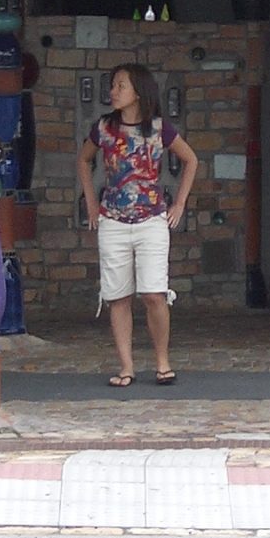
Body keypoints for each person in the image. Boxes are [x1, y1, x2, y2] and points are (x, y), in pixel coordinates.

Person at [80, 63, 199, 387]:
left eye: (120, 86)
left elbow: (191, 159)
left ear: (138, 92)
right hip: (113, 220)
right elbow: (83, 159)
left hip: (151, 220)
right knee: (117, 296)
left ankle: (162, 361)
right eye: (113, 85)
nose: (113, 91)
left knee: (153, 293)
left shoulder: (160, 129)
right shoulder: (104, 128)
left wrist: (179, 204)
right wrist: (92, 202)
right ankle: (127, 367)